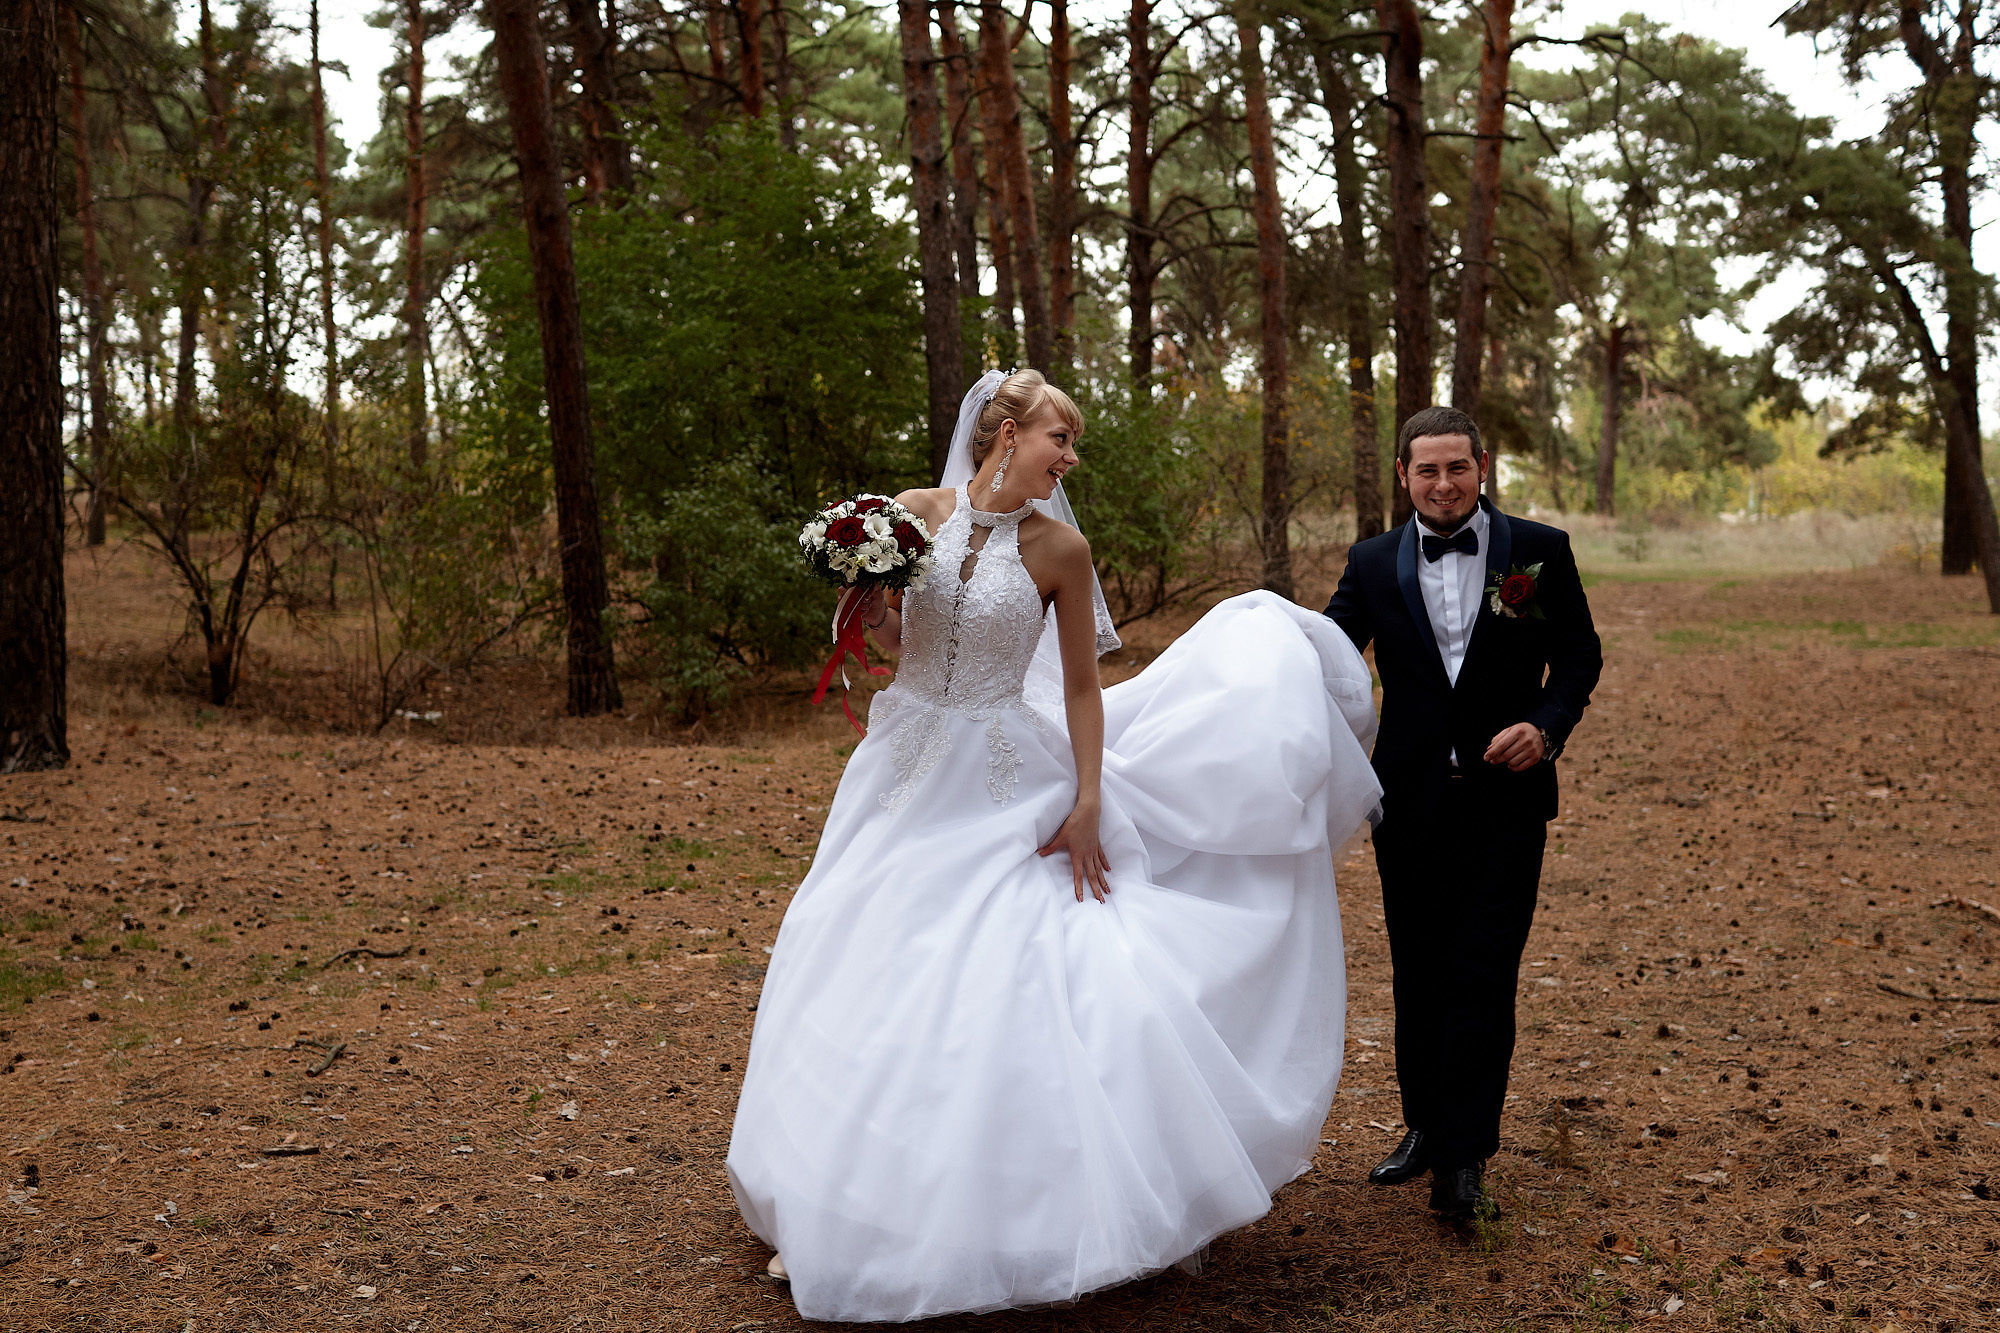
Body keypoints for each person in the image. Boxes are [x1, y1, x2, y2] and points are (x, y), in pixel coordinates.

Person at [726, 370, 1384, 1321]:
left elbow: (1079, 687)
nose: (1068, 459)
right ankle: (838, 1203)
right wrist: (864, 600)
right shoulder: (912, 515)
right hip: (904, 770)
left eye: (1071, 445)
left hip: (1001, 774)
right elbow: (893, 628)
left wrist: (1084, 800)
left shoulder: (1060, 549)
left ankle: (995, 1212)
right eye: (1057, 440)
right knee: (859, 953)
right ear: (1004, 434)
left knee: (999, 971)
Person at [1323, 405, 1602, 1219]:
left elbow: (1578, 655)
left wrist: (1545, 728)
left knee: (1482, 972)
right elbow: (1332, 652)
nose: (1443, 484)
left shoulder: (1538, 552)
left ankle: (1464, 1157)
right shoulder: (1372, 561)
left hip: (1505, 804)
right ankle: (1425, 1127)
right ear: (1403, 476)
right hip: (1406, 803)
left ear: (1483, 466)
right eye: (1426, 470)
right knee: (1419, 971)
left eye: (1457, 467)